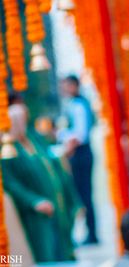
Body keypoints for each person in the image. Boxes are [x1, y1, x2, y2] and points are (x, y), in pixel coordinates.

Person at [1, 102, 81, 262]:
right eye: (18, 121)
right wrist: (34, 201)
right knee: (45, 254)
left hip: (56, 204)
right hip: (36, 215)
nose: (22, 124)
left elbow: (52, 160)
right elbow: (11, 184)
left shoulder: (34, 139)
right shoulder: (8, 149)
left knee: (63, 250)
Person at [57, 74, 98, 244]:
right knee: (82, 193)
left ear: (74, 86)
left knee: (84, 193)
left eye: (67, 85)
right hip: (80, 153)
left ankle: (92, 233)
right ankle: (90, 232)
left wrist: (64, 139)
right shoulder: (74, 104)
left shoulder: (79, 105)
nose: (65, 89)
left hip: (81, 154)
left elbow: (80, 134)